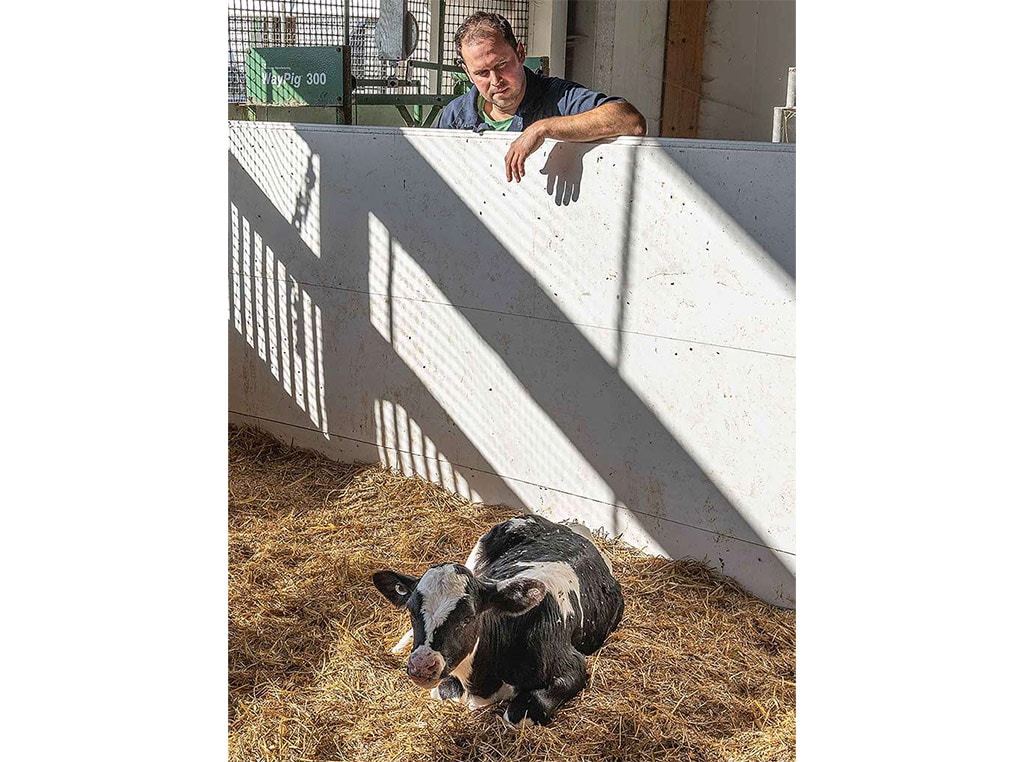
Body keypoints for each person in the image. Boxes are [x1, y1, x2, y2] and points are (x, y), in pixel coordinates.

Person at [436, 11, 647, 183]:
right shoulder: (455, 116)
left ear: (520, 53)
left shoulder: (558, 97)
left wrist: (543, 128)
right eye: (482, 73)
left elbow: (630, 121)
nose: (495, 80)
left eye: (501, 65)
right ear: (467, 73)